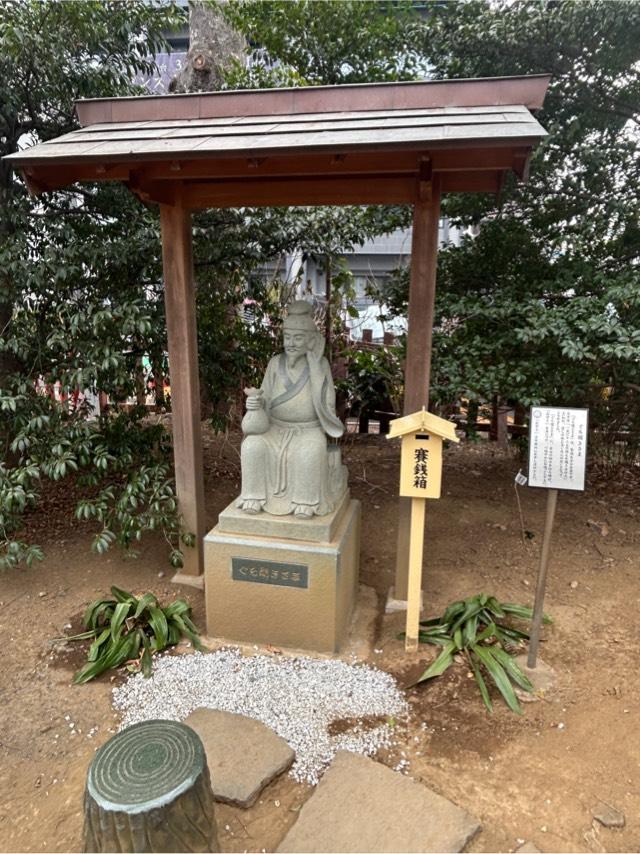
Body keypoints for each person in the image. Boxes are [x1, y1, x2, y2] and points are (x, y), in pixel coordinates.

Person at [236, 300, 347, 518]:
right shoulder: (275, 363)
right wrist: (256, 404)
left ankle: (306, 502)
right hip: (275, 428)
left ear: (310, 340)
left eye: (298, 338)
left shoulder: (320, 365)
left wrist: (315, 368)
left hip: (308, 430)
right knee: (252, 446)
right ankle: (253, 497)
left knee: (309, 452)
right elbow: (265, 397)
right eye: (287, 337)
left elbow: (328, 402)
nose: (291, 343)